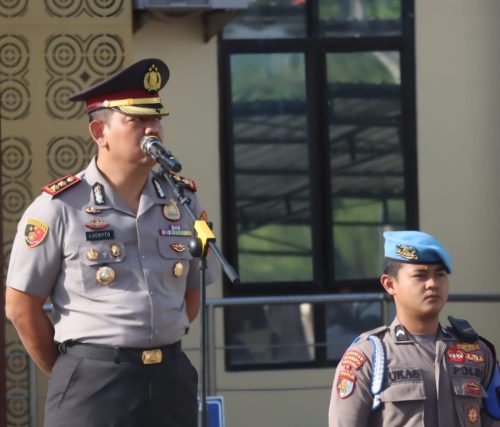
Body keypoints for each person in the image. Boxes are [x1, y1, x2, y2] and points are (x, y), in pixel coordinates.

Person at [5, 58, 218, 427]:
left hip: (170, 379)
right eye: (137, 120)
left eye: (156, 119)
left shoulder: (182, 201)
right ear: (99, 131)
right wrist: (76, 369)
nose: (152, 129)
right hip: (93, 383)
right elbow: (21, 307)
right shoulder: (58, 208)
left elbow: (192, 292)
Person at [328, 230, 500, 427]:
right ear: (390, 284)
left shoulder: (477, 353)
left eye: (440, 274)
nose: (433, 284)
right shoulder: (368, 357)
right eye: (420, 275)